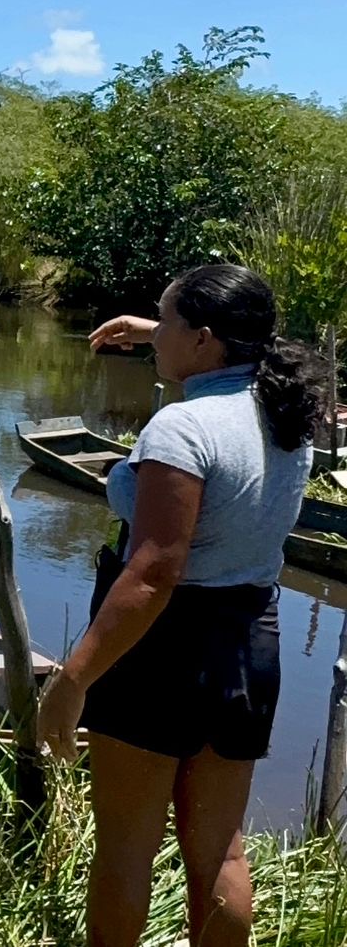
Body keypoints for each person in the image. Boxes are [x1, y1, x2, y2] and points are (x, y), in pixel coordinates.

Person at [37, 264, 326, 947]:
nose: (150, 329)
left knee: (125, 853)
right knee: (220, 852)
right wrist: (160, 334)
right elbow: (241, 356)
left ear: (202, 339)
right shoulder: (287, 414)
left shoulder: (182, 429)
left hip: (159, 650)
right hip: (248, 642)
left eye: (163, 320)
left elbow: (152, 575)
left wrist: (71, 679)